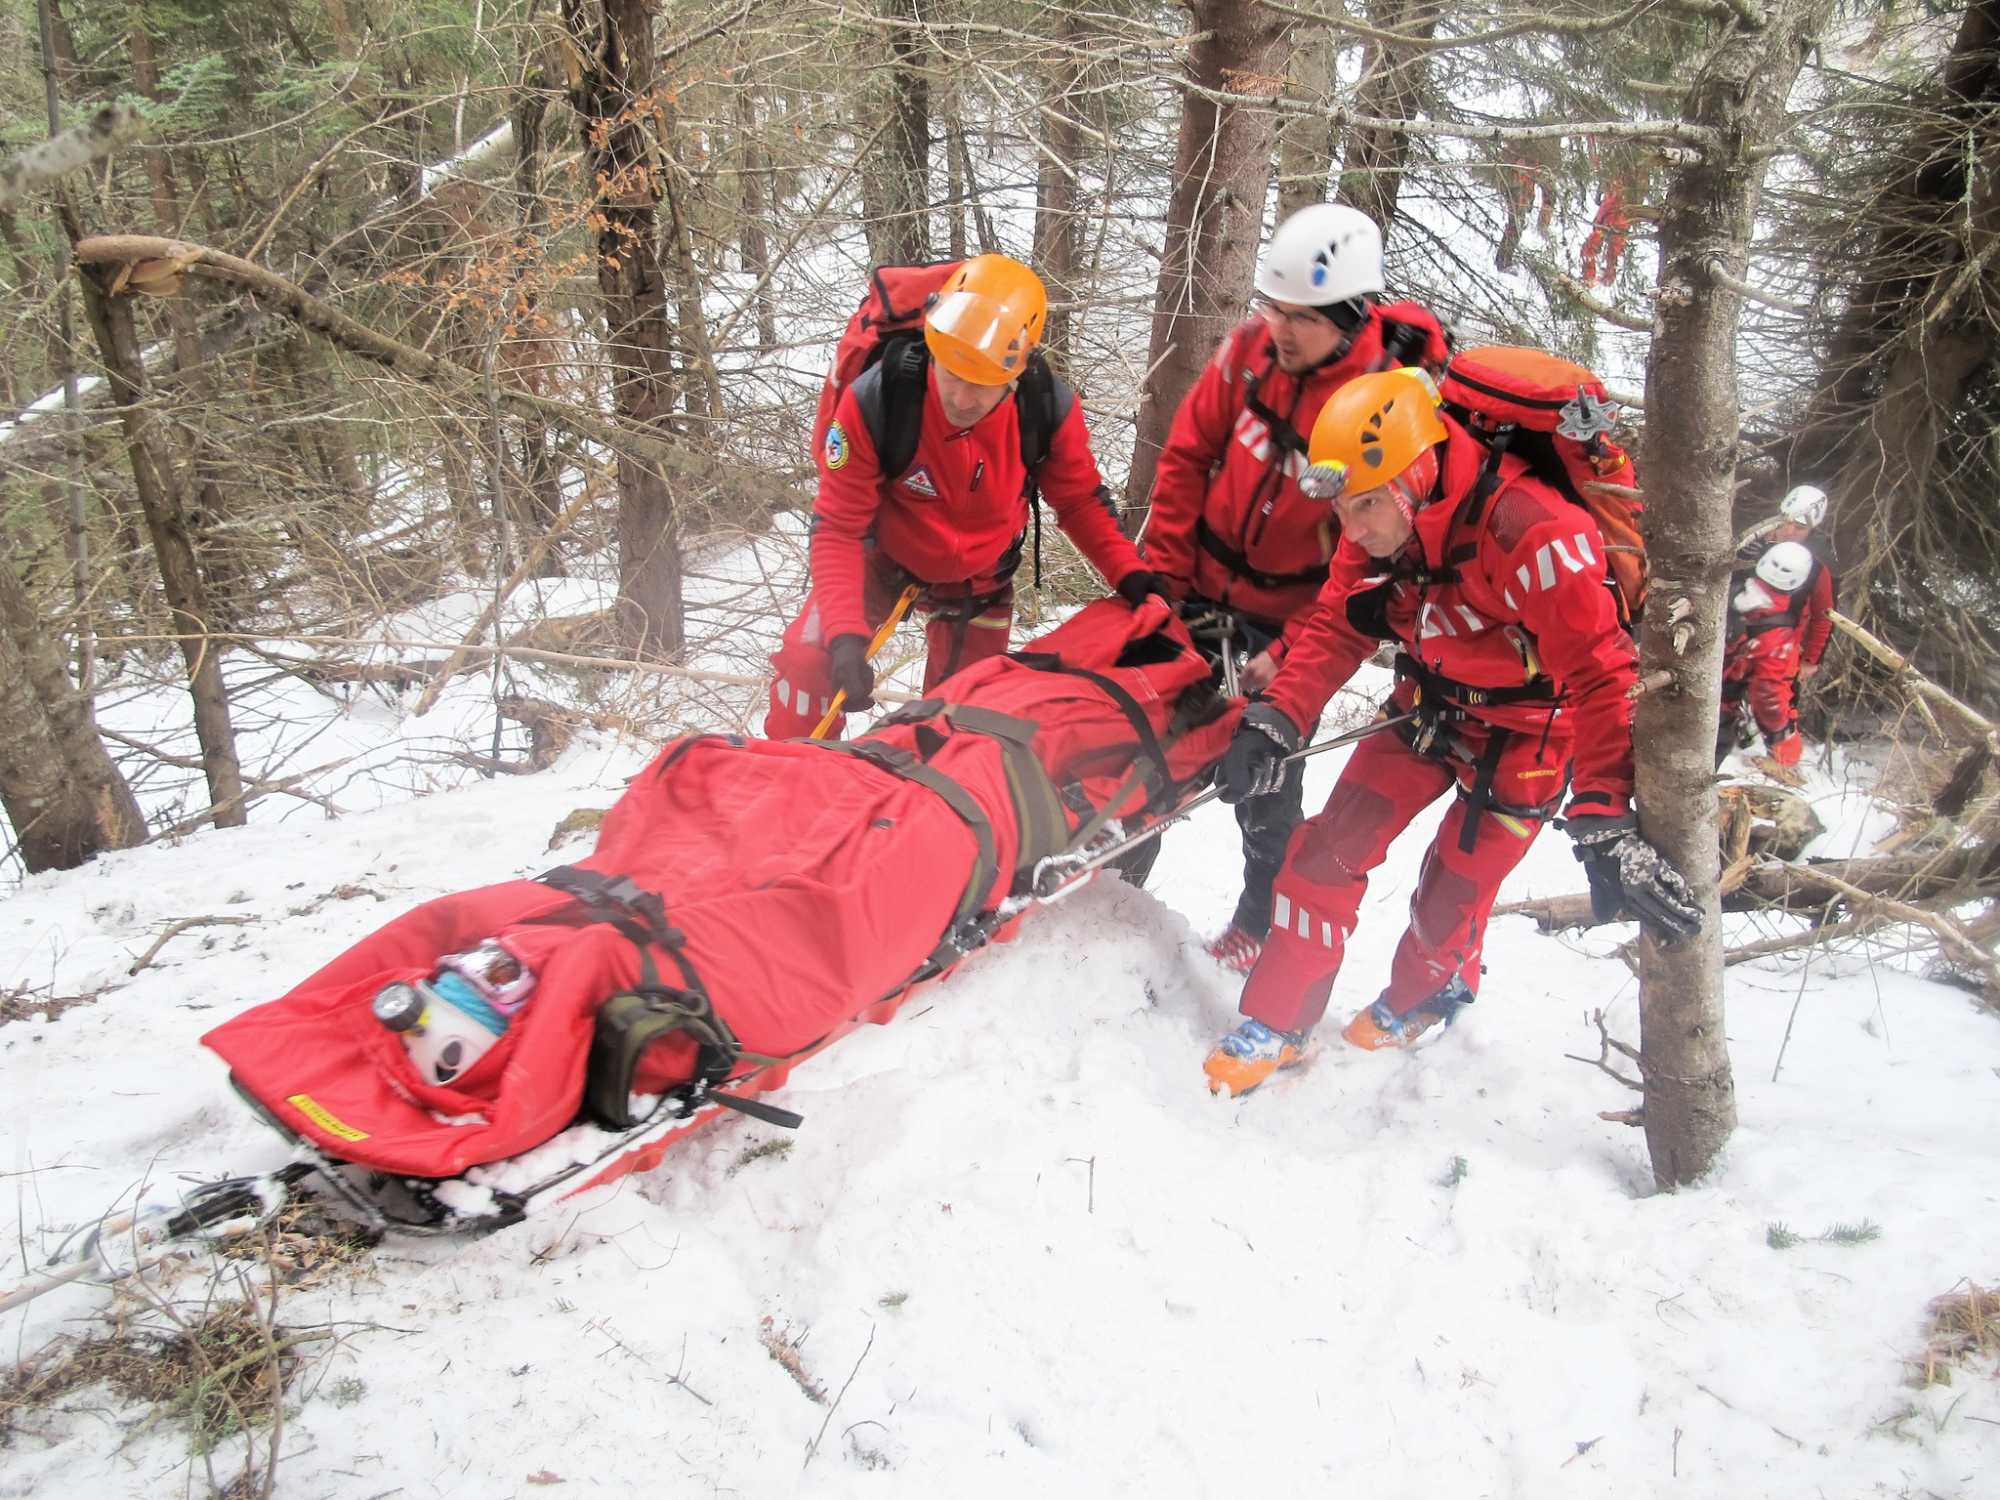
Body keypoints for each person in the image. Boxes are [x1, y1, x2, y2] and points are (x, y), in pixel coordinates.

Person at [1198, 368, 1701, 1097]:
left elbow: (1604, 678)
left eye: (1367, 506)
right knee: (1324, 854)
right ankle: (1280, 1023)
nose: (1355, 529)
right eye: (1342, 509)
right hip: (1427, 707)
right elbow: (1335, 625)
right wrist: (1276, 719)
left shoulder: (1534, 533)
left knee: (1452, 893)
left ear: (1419, 471)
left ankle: (1426, 995)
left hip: (1532, 731)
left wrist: (1603, 814)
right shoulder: (1375, 532)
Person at [1137, 204, 1450, 973]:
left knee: (1264, 779)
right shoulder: (1248, 355)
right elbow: (1182, 462)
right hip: (1202, 587)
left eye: (1302, 318)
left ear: (1350, 319)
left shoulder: (1386, 401)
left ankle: (1258, 914)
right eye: (1274, 307)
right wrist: (1166, 590)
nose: (1280, 327)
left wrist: (1289, 648)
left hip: (1293, 613)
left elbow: (1370, 559)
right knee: (1148, 743)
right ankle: (1119, 885)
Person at [764, 254, 1162, 740]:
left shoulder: (1044, 408)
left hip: (980, 574)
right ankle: (790, 790)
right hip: (880, 555)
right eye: (952, 374)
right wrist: (846, 637)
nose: (964, 399)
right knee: (807, 667)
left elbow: (1079, 501)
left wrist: (1133, 576)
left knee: (964, 724)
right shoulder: (880, 398)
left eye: (985, 384)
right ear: (933, 347)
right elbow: (839, 526)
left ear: (1015, 376)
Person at [1718, 541, 1815, 767]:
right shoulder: (1776, 636)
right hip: (1711, 709)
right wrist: (1782, 737)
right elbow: (1768, 692)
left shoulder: (1724, 590)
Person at [1736, 483, 1836, 688]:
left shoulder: (1816, 568)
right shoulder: (1750, 545)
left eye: (1799, 527)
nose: (1789, 531)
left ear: (1811, 530)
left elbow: (1824, 617)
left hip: (1778, 657)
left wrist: (1810, 660)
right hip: (1733, 647)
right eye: (1787, 522)